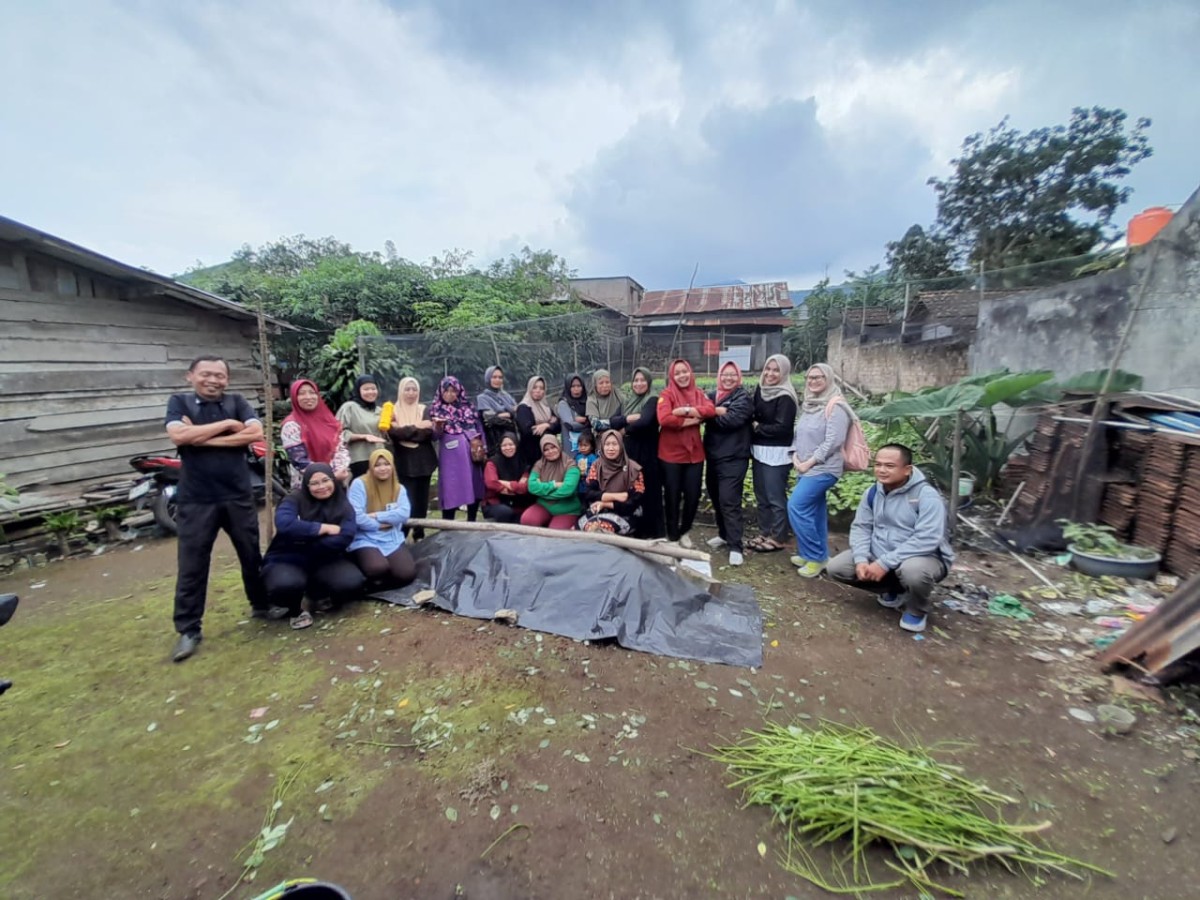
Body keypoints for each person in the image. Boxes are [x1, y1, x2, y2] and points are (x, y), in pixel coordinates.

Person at [164, 355, 272, 662]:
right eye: (206, 374)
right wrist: (226, 427)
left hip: (237, 494)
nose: (213, 380)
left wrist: (200, 439)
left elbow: (254, 433)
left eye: (219, 375)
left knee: (251, 553)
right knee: (192, 564)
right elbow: (178, 435)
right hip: (196, 498)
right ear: (191, 376)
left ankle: (261, 604)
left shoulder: (238, 401)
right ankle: (188, 629)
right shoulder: (179, 403)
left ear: (227, 379)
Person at [827, 444, 954, 634]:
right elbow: (861, 526)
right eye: (877, 464)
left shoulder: (926, 496)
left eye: (889, 465)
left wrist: (884, 563)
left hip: (924, 556)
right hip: (881, 552)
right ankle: (895, 589)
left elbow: (927, 538)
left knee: (914, 571)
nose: (881, 470)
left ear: (907, 470)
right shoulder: (872, 492)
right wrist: (862, 558)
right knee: (837, 568)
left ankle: (917, 609)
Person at [261, 464, 364, 628]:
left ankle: (316, 593)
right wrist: (323, 528)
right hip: (288, 558)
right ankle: (295, 607)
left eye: (325, 480)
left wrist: (302, 539)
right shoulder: (294, 499)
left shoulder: (342, 503)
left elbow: (345, 536)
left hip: (325, 558)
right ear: (306, 485)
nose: (321, 487)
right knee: (284, 585)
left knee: (351, 582)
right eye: (314, 483)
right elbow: (285, 524)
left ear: (333, 479)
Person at [787, 363, 854, 578]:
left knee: (796, 506)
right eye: (810, 377)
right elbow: (799, 434)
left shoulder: (836, 406)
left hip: (824, 469)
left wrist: (809, 462)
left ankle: (815, 556)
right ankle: (817, 554)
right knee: (815, 512)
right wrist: (796, 456)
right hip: (804, 467)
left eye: (819, 377)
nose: (813, 381)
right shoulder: (810, 404)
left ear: (829, 379)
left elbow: (834, 441)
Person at [656, 359, 716, 547]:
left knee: (693, 494)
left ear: (690, 373)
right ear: (672, 376)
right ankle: (672, 536)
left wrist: (685, 410)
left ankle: (685, 531)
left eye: (685, 372)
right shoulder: (666, 394)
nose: (682, 376)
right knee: (672, 495)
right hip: (671, 454)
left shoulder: (699, 394)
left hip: (694, 455)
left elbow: (710, 410)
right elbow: (665, 419)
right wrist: (693, 420)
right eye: (677, 373)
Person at [703, 361, 754, 565]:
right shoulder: (713, 395)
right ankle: (724, 535)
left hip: (734, 458)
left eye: (733, 375)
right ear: (719, 375)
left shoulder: (743, 397)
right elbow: (701, 411)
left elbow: (731, 421)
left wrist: (711, 413)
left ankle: (735, 546)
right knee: (715, 496)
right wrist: (718, 410)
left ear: (739, 377)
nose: (728, 378)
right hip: (713, 456)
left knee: (729, 500)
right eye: (725, 374)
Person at [747, 354, 799, 553]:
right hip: (759, 450)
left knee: (775, 497)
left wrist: (758, 427)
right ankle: (765, 532)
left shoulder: (786, 396)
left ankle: (778, 537)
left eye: (776, 370)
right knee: (761, 495)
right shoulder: (761, 389)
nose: (770, 374)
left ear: (784, 373)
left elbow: (783, 429)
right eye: (768, 369)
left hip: (777, 453)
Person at [347, 448, 416, 589]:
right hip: (365, 537)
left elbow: (403, 514)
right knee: (377, 568)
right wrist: (378, 525)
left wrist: (377, 515)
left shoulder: (398, 488)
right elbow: (357, 517)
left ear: (392, 466)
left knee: (407, 574)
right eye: (377, 465)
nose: (383, 468)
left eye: (386, 464)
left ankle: (375, 586)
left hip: (391, 537)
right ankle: (360, 575)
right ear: (371, 467)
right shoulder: (359, 484)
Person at [384, 377, 437, 541]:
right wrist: (417, 427)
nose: (411, 393)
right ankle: (402, 534)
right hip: (404, 463)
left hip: (424, 462)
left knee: (422, 501)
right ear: (401, 391)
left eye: (414, 389)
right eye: (407, 389)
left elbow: (427, 434)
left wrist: (404, 430)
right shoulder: (393, 410)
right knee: (407, 500)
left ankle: (419, 533)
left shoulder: (424, 409)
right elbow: (394, 435)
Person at [429, 375, 484, 521]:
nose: (450, 394)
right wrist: (438, 427)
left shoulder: (468, 408)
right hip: (451, 460)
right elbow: (434, 437)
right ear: (441, 392)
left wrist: (482, 447)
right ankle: (448, 524)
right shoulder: (436, 409)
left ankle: (471, 522)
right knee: (451, 489)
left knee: (473, 486)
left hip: (472, 455)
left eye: (453, 391)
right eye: (446, 391)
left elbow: (479, 428)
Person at [281, 379, 351, 488]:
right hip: (310, 485)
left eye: (312, 392)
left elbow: (340, 448)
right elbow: (299, 460)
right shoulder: (291, 425)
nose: (308, 397)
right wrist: (329, 477)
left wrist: (339, 471)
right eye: (301, 393)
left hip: (337, 482)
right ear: (294, 398)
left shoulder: (329, 421)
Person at [622, 366, 664, 539]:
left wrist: (624, 429)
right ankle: (636, 529)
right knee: (633, 490)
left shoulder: (653, 399)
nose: (638, 384)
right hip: (629, 452)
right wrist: (626, 420)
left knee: (650, 491)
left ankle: (654, 532)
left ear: (648, 381)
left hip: (647, 453)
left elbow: (645, 421)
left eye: (642, 380)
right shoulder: (627, 401)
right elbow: (613, 420)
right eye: (635, 380)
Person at [579, 430, 645, 534]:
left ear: (621, 446)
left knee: (599, 530)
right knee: (580, 529)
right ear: (602, 447)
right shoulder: (597, 466)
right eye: (607, 444)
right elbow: (589, 493)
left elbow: (632, 503)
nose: (610, 448)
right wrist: (618, 496)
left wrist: (605, 503)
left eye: (615, 444)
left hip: (626, 514)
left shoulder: (633, 469)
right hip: (598, 511)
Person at [522, 432, 583, 529]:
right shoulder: (539, 465)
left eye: (553, 447)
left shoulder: (570, 465)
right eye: (546, 449)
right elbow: (532, 487)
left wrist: (543, 492)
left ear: (559, 446)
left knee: (556, 532)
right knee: (527, 520)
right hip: (544, 505)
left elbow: (567, 490)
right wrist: (553, 485)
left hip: (567, 509)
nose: (550, 451)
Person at [336, 375, 388, 478]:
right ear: (358, 390)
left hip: (380, 459)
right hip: (359, 459)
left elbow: (385, 436)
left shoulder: (380, 410)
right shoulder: (350, 407)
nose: (370, 392)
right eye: (366, 389)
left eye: (373, 388)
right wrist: (363, 436)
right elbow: (337, 433)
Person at [483, 433, 530, 523]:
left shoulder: (523, 463)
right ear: (500, 447)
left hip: (518, 503)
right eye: (504, 445)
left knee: (527, 516)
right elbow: (491, 483)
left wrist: (504, 483)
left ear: (516, 445)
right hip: (495, 503)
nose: (508, 448)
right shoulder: (492, 462)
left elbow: (524, 487)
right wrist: (515, 489)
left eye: (511, 444)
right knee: (505, 512)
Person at [514, 375, 560, 467]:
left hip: (549, 451)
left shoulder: (545, 406)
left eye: (541, 388)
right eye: (535, 387)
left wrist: (546, 425)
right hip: (532, 454)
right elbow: (528, 431)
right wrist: (550, 424)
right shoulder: (523, 408)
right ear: (529, 388)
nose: (538, 390)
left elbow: (559, 426)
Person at [477, 365, 518, 455]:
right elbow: (490, 419)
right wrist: (510, 414)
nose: (497, 380)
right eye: (494, 377)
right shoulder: (482, 398)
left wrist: (503, 414)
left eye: (500, 377)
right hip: (494, 439)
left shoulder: (506, 396)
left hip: (511, 437)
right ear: (488, 378)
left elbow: (518, 411)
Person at [586, 369, 626, 438]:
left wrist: (620, 432)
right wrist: (616, 422)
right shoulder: (592, 400)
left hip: (620, 437)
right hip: (601, 439)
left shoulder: (619, 397)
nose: (605, 386)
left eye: (607, 382)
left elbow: (628, 417)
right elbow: (596, 424)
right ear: (595, 385)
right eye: (601, 383)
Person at [558, 373, 590, 459]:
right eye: (573, 386)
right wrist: (588, 423)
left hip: (587, 443)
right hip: (571, 445)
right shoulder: (563, 403)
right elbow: (570, 425)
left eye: (579, 386)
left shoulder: (588, 401)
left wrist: (586, 420)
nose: (576, 389)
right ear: (568, 387)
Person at [574, 431, 598, 496]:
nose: (583, 448)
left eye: (585, 445)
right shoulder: (577, 456)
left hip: (588, 483)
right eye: (580, 445)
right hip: (579, 484)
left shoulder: (593, 458)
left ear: (592, 447)